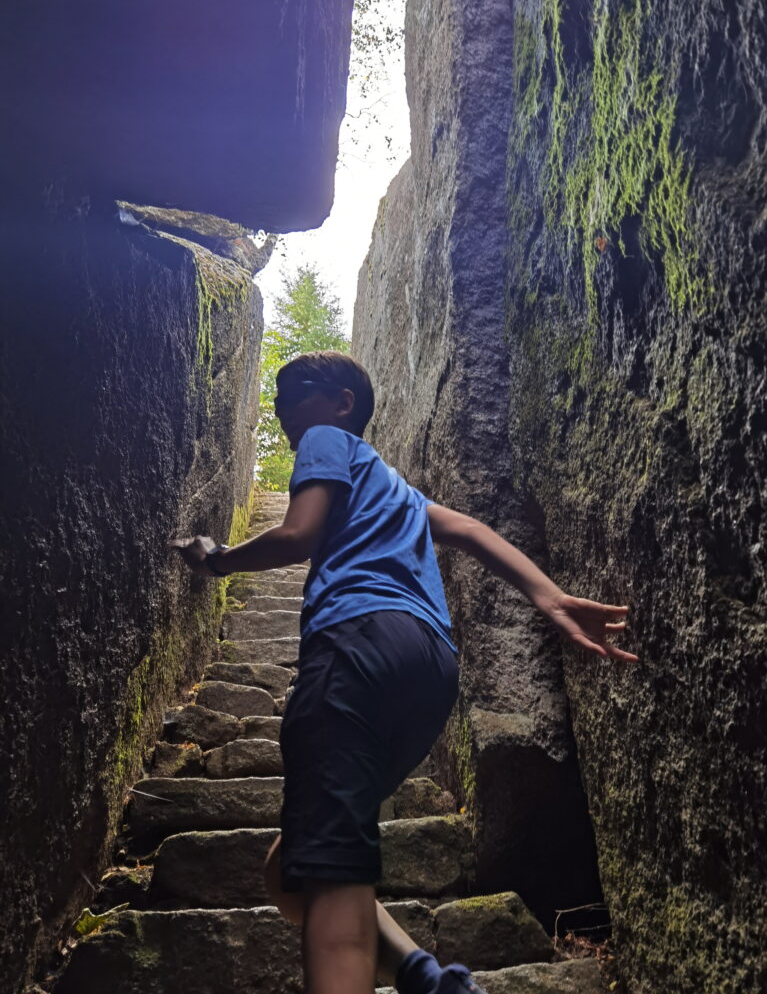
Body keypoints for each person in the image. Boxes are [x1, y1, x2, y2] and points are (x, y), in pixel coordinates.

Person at [172, 351, 637, 994]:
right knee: (291, 869)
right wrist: (548, 596)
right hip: (427, 668)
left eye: (297, 390)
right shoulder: (391, 485)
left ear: (343, 404)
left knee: (332, 874)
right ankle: (426, 978)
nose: (283, 405)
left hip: (355, 643)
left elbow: (300, 533)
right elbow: (470, 529)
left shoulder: (326, 440)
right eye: (277, 396)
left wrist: (218, 561)